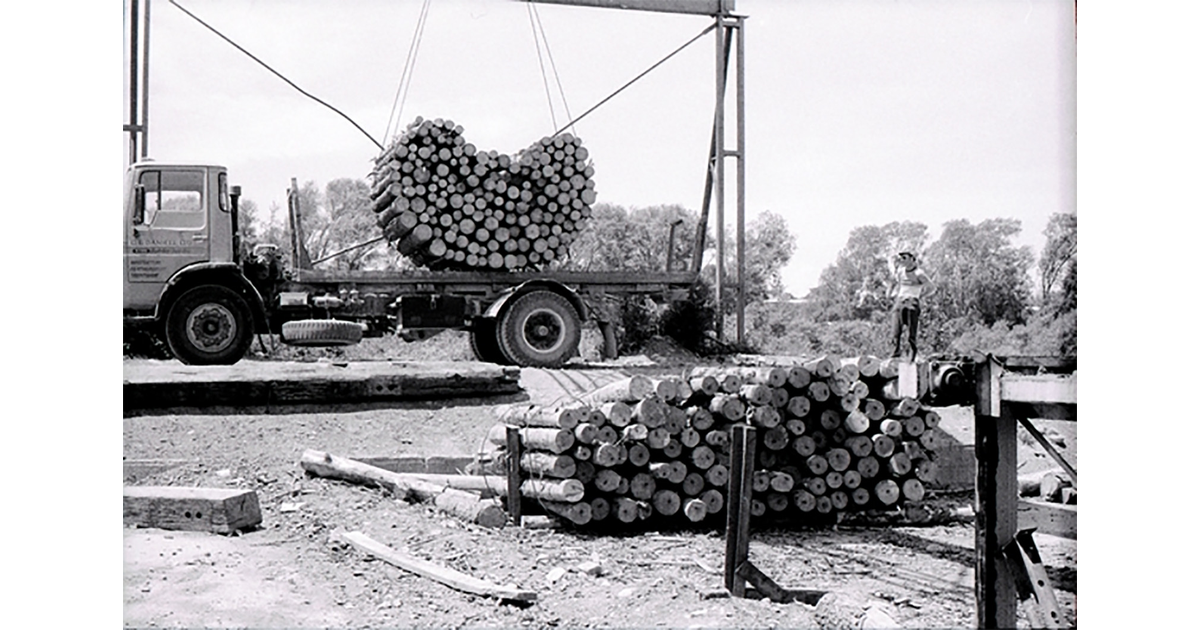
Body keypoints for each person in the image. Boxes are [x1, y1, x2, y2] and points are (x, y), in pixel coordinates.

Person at [888, 251, 934, 361]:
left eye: (904, 257)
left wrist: (919, 296)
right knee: (895, 330)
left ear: (912, 259)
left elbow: (931, 287)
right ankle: (895, 354)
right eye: (901, 258)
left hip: (912, 301)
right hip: (900, 300)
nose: (902, 260)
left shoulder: (919, 274)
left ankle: (911, 356)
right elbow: (896, 283)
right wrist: (891, 294)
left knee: (911, 333)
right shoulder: (900, 271)